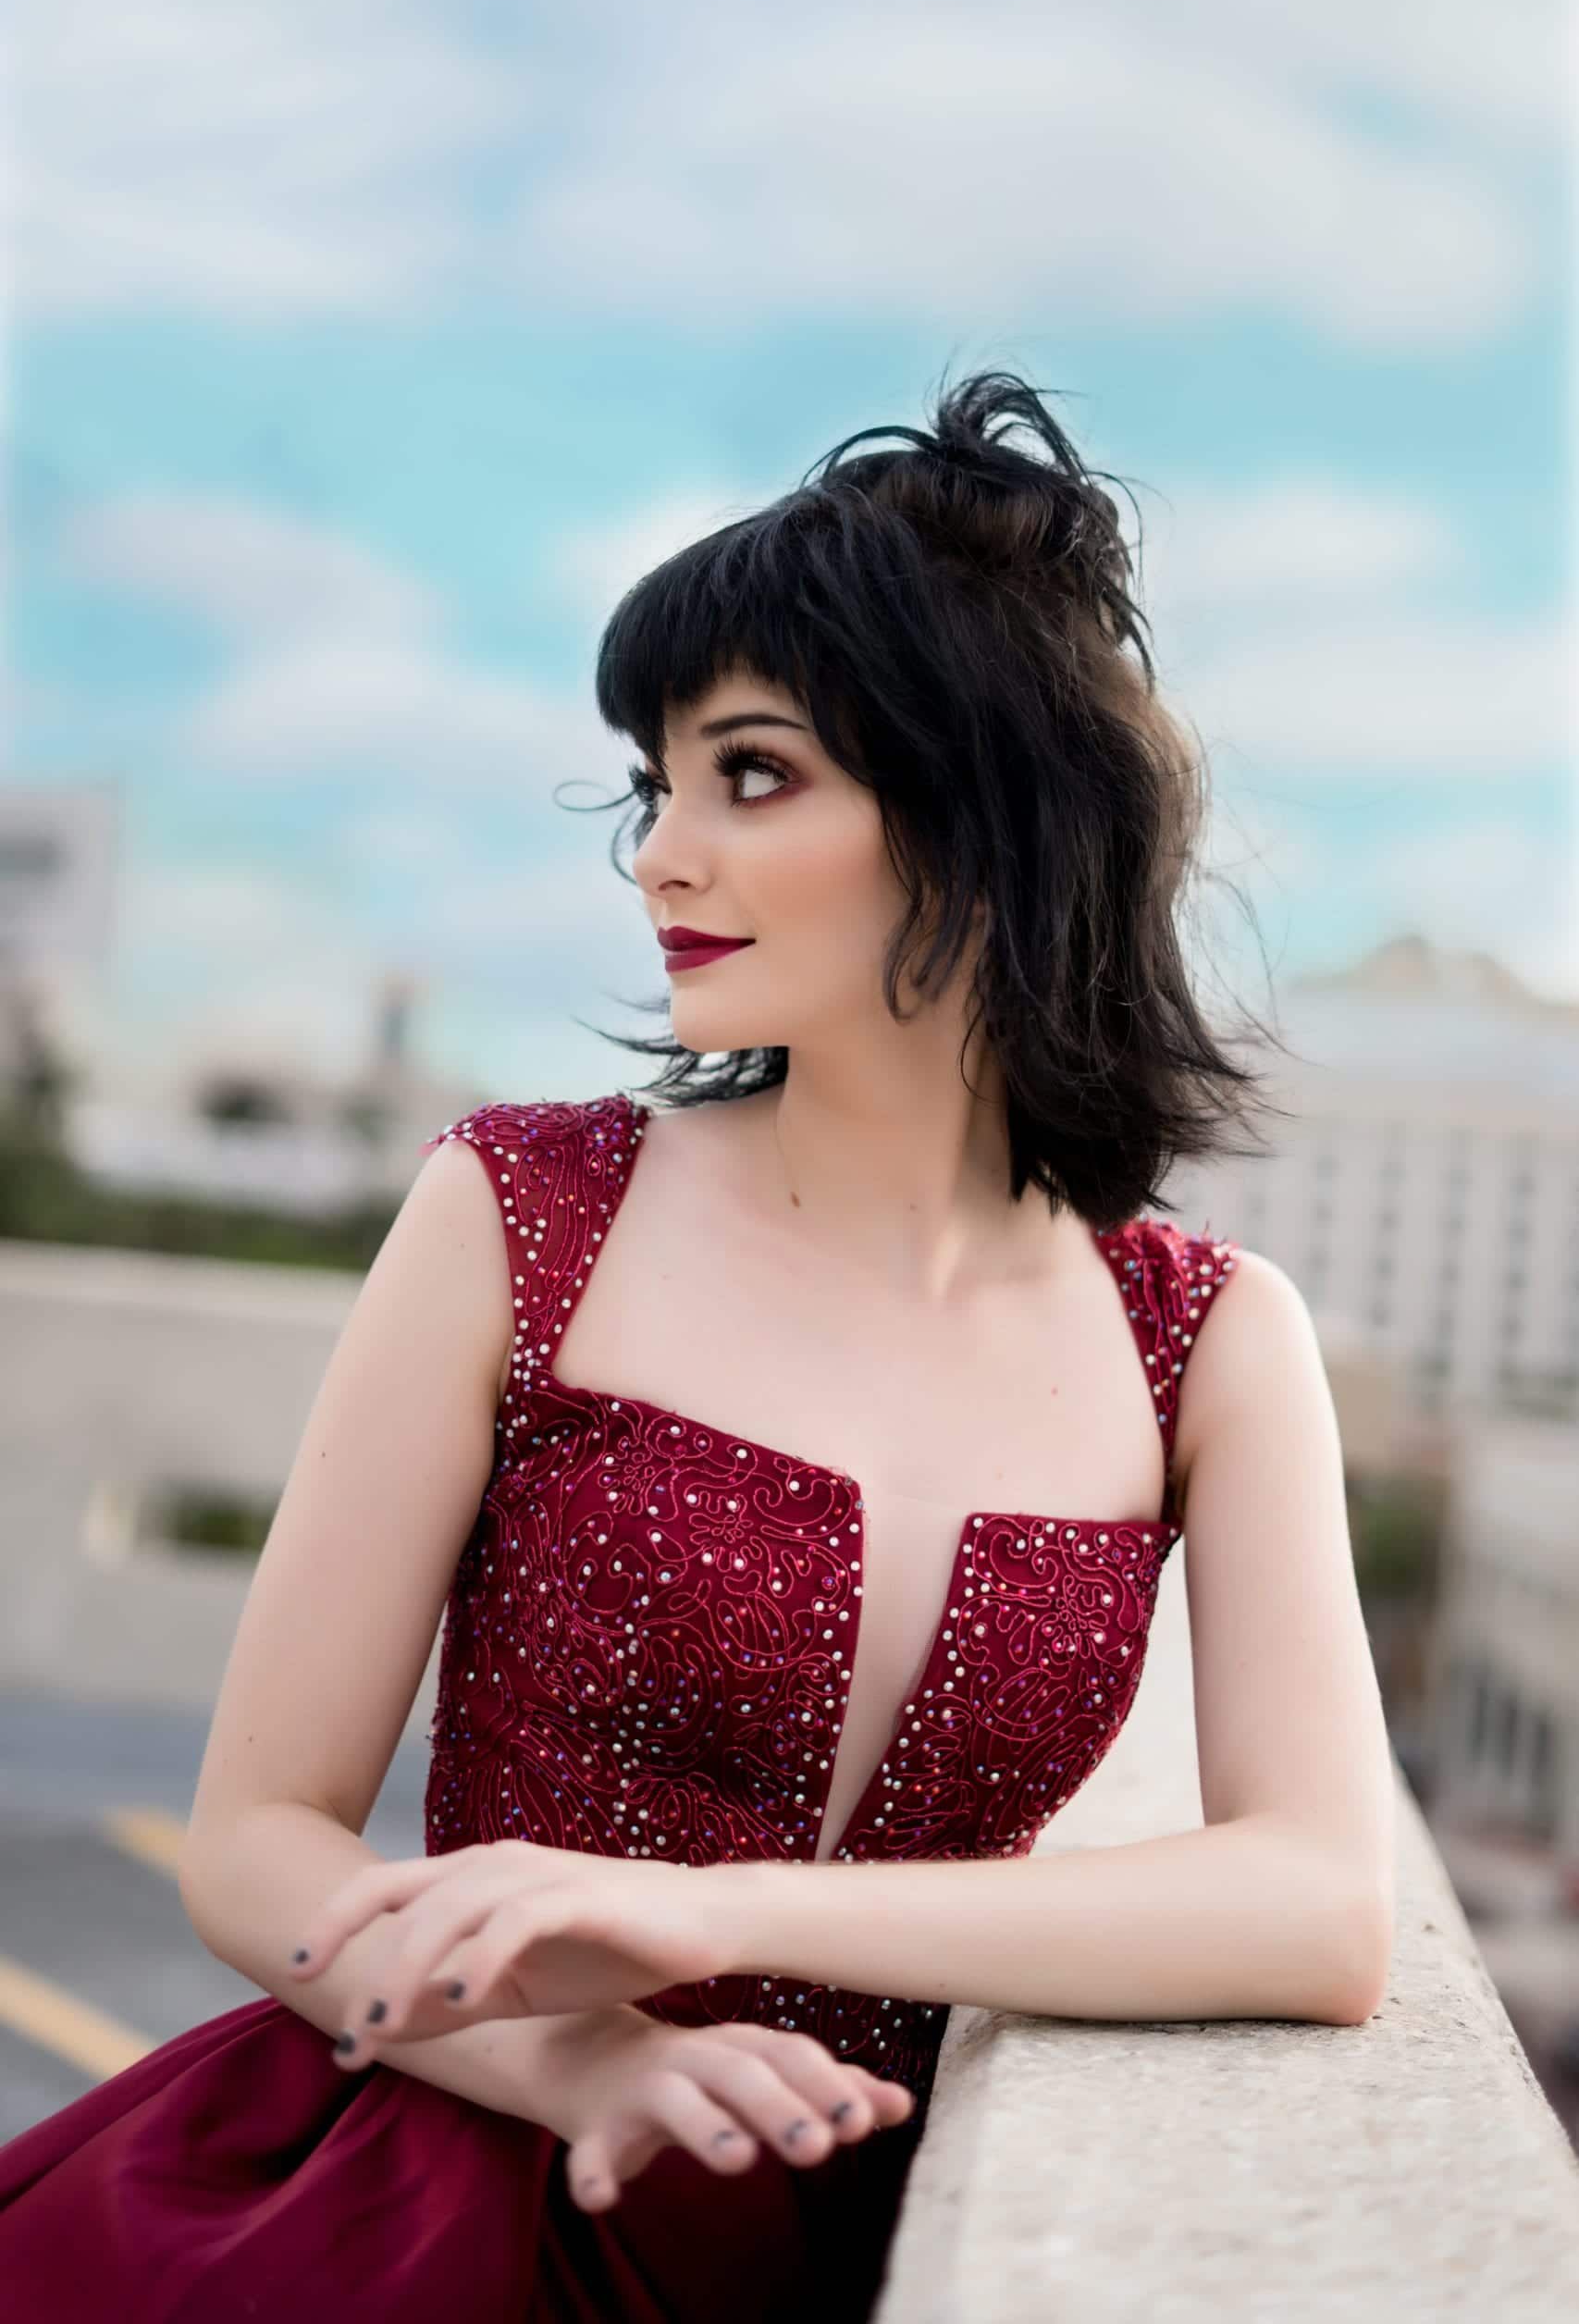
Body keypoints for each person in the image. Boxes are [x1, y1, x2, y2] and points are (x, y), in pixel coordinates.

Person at [0, 365, 1396, 2321]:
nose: (662, 853)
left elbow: (1321, 1909)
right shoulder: (519, 1209)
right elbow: (254, 1843)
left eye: (751, 774)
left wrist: (717, 1911)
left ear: (981, 805)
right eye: (657, 784)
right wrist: (587, 2050)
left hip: (861, 2235)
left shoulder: (1206, 1337)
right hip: (434, 2193)